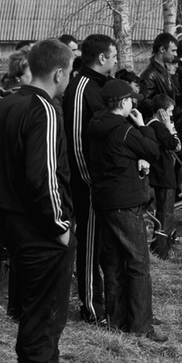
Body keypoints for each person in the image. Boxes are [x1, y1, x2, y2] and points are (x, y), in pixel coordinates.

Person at [0, 39, 79, 363]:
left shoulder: (6, 103)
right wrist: (59, 225)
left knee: (48, 310)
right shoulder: (42, 108)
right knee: (42, 315)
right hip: (38, 226)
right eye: (69, 72)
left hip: (11, 221)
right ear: (59, 73)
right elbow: (42, 177)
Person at [88, 79, 165, 343]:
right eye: (131, 99)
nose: (134, 103)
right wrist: (143, 125)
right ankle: (141, 326)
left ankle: (116, 321)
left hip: (104, 200)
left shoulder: (95, 126)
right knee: (138, 263)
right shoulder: (124, 130)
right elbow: (152, 150)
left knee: (112, 264)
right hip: (126, 201)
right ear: (122, 103)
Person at [63, 33, 117, 325]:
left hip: (104, 179)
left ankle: (104, 300)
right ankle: (90, 307)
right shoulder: (81, 87)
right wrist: (88, 180)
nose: (116, 61)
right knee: (89, 244)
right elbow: (75, 141)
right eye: (114, 56)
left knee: (103, 246)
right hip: (88, 182)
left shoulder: (100, 86)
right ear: (101, 58)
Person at [145, 94, 181, 259]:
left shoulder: (149, 125)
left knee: (163, 213)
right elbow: (174, 144)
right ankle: (161, 250)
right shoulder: (159, 127)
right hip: (164, 175)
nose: (171, 115)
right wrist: (169, 126)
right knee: (166, 214)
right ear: (162, 112)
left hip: (158, 175)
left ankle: (158, 247)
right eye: (170, 112)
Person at [139, 32, 178, 115]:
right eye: (173, 51)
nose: (175, 54)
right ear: (162, 49)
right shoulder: (149, 74)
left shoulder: (164, 70)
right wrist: (165, 107)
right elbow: (145, 103)